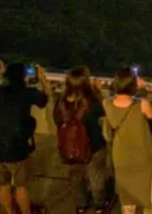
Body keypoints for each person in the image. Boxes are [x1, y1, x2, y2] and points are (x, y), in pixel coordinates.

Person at [0, 62, 50, 214]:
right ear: (24, 77)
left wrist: (1, 74)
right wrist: (42, 77)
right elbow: (45, 98)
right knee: (21, 186)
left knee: (3, 185)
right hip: (17, 147)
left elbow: (2, 87)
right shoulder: (27, 93)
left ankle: (10, 212)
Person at [103, 67, 152, 214]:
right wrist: (142, 90)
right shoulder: (142, 104)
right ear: (133, 85)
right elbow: (151, 115)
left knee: (126, 193)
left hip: (121, 155)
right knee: (148, 191)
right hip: (143, 155)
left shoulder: (107, 103)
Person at [53, 66, 109, 214]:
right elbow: (104, 114)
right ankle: (99, 205)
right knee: (96, 179)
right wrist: (97, 91)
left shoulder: (60, 103)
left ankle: (81, 204)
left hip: (69, 149)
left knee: (76, 179)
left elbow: (57, 121)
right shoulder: (91, 103)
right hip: (94, 147)